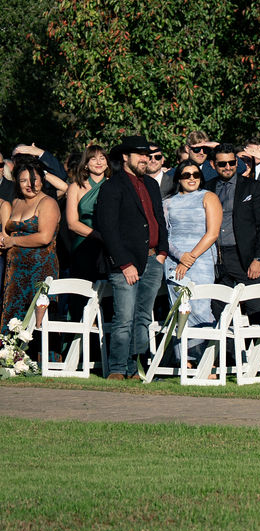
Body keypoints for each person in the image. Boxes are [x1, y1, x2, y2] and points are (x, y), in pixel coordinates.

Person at [94, 135, 168, 381]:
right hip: (125, 262)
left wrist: (162, 252)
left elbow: (159, 219)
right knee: (124, 318)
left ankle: (136, 368)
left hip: (153, 259)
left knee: (143, 318)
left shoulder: (152, 185)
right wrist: (124, 263)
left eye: (148, 154)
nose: (146, 159)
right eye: (141, 154)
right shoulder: (112, 186)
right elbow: (108, 229)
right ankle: (117, 368)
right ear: (125, 157)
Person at [163, 161, 221, 364]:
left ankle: (206, 361)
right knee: (180, 309)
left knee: (201, 308)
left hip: (201, 260)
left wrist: (190, 259)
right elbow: (164, 235)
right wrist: (180, 256)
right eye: (186, 175)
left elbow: (212, 233)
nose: (191, 178)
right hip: (174, 260)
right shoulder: (168, 202)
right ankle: (184, 360)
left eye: (195, 174)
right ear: (178, 178)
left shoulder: (208, 197)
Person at [0, 158, 61, 343]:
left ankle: (41, 357)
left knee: (38, 321)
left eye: (33, 179)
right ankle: (10, 355)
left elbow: (44, 237)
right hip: (14, 271)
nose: (29, 184)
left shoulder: (48, 202)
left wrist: (13, 241)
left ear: (41, 180)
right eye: (23, 180)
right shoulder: (16, 201)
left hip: (39, 269)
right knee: (12, 316)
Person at [204, 145, 260, 299]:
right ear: (213, 165)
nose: (228, 167)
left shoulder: (253, 186)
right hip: (215, 256)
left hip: (245, 256)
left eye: (232, 162)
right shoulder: (207, 188)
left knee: (254, 305)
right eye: (222, 164)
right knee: (218, 307)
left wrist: (258, 258)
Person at [64, 144, 110, 282]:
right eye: (93, 159)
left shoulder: (114, 185)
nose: (99, 162)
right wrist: (98, 235)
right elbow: (72, 223)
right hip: (84, 245)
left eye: (102, 158)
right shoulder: (76, 187)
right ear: (85, 164)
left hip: (109, 246)